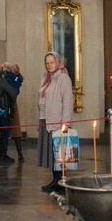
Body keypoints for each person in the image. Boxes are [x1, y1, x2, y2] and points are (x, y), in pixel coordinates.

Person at [37, 51, 75, 194]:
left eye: (52, 62)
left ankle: (60, 181)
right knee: (52, 153)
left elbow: (68, 102)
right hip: (45, 120)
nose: (49, 65)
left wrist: (65, 122)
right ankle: (55, 179)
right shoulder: (46, 77)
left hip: (57, 121)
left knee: (58, 153)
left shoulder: (63, 78)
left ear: (57, 62)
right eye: (47, 63)